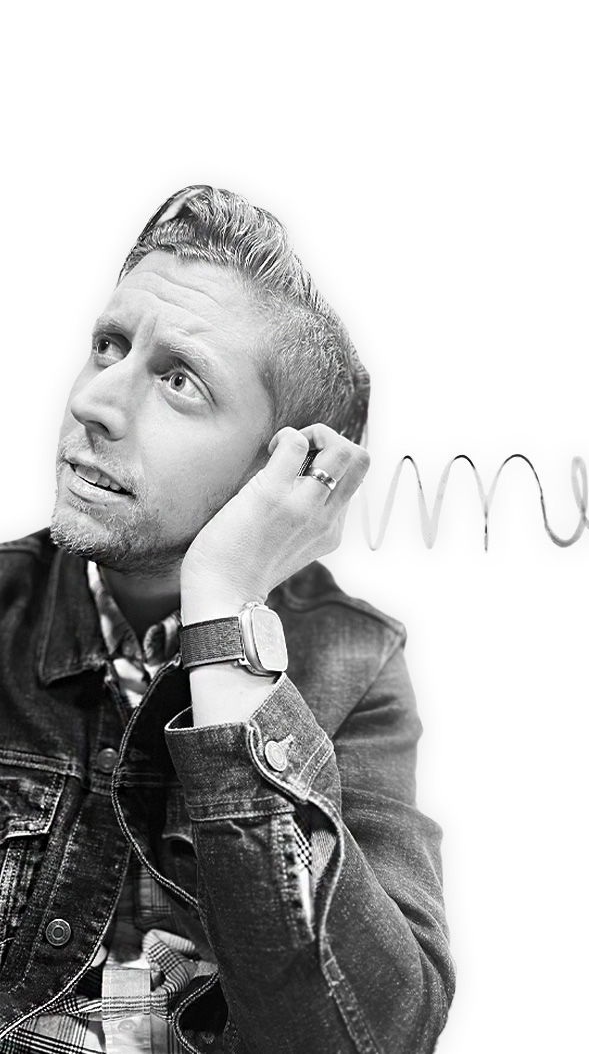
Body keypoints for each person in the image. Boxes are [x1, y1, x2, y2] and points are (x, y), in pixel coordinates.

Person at [0, 186, 453, 1053]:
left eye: (179, 380)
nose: (96, 402)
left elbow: (370, 1035)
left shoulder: (353, 660)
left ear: (275, 469)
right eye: (109, 346)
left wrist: (223, 606)